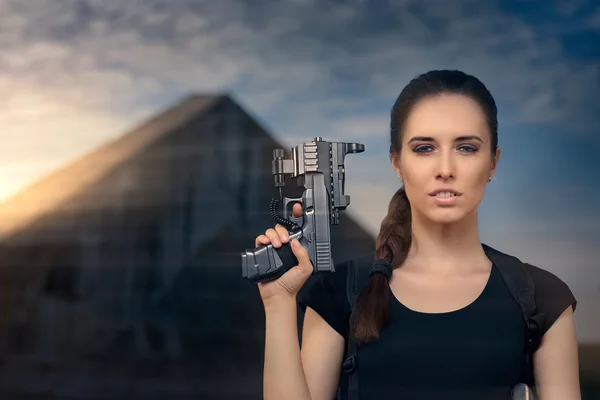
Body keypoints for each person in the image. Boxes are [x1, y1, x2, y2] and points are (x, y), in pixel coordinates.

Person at [254, 70, 580, 400]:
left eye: (466, 147)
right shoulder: (340, 293)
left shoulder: (542, 298)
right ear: (397, 163)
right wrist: (278, 303)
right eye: (424, 148)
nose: (445, 168)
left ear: (493, 163)